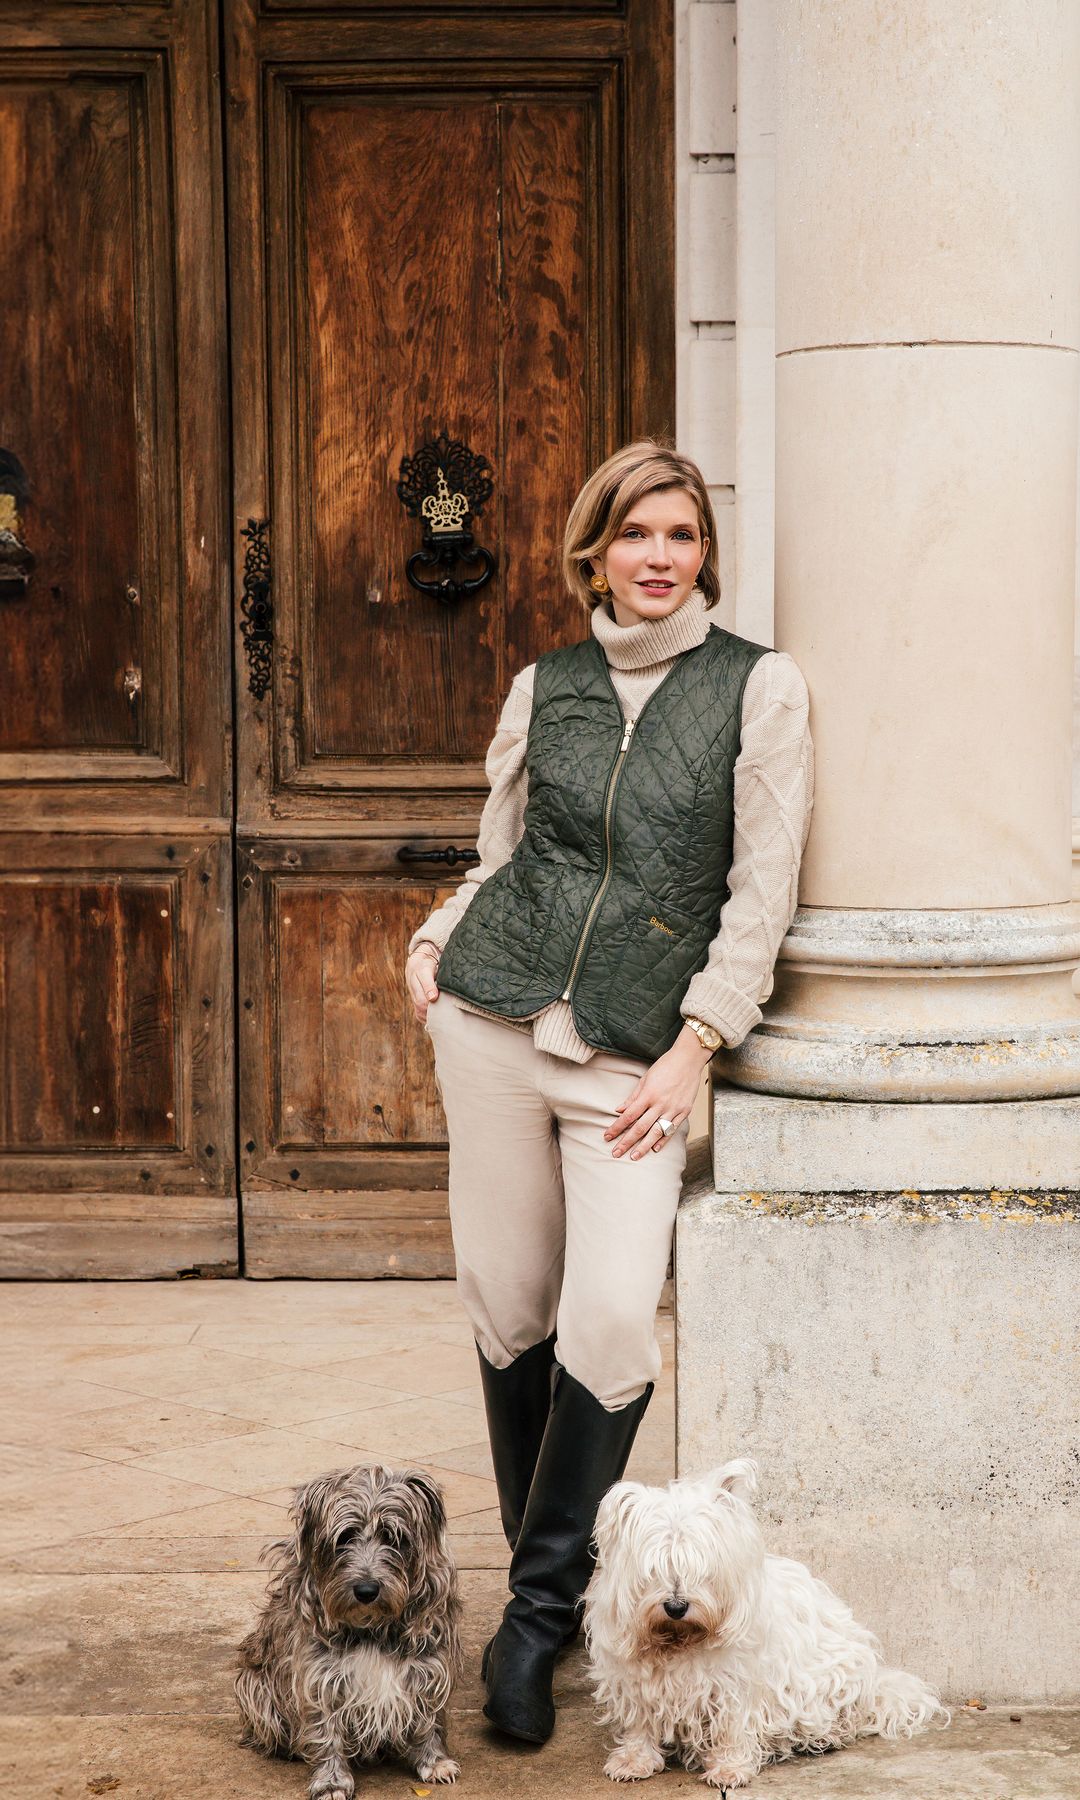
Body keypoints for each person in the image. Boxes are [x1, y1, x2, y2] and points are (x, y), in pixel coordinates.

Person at [403, 440, 813, 1745]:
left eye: (680, 537)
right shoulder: (548, 685)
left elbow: (761, 892)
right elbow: (505, 856)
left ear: (703, 554)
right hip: (489, 1024)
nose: (657, 558)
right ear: (594, 551)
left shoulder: (759, 690)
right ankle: (564, 1599)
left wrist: (699, 1046)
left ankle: (531, 1625)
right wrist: (431, 949)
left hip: (637, 1058)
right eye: (634, 535)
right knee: (510, 1308)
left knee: (615, 1319)